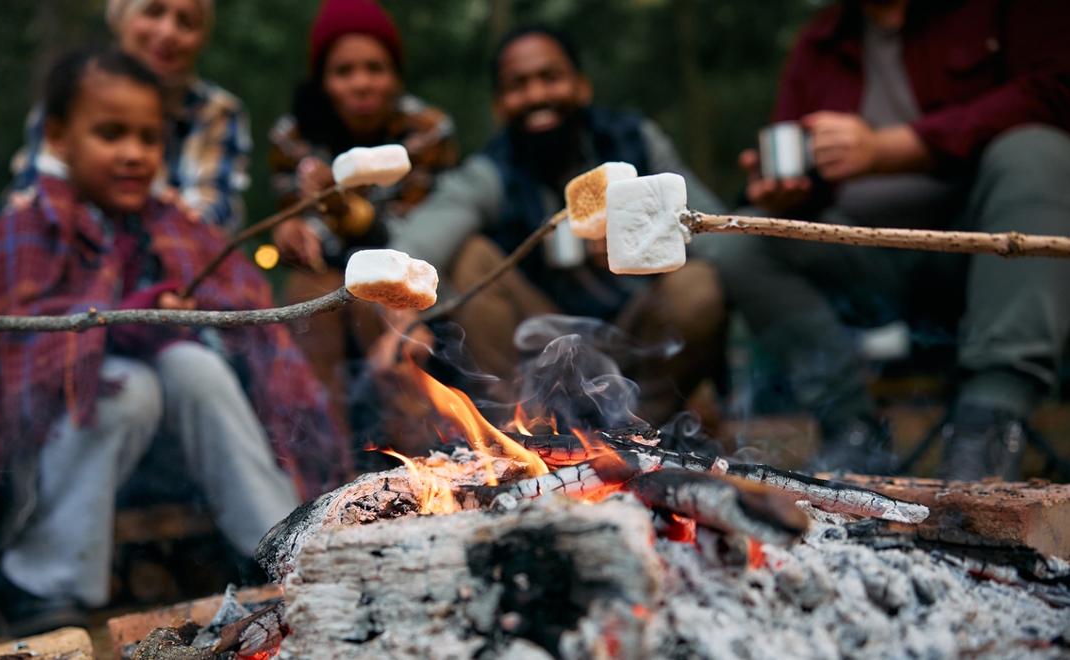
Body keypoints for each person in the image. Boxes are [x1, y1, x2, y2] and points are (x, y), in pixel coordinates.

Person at [0, 49, 349, 634]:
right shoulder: (32, 219)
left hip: (172, 461)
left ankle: (285, 542)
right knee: (128, 389)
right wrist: (127, 320)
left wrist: (188, 317)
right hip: (57, 459)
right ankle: (45, 579)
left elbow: (246, 321)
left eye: (149, 139)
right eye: (110, 134)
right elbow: (22, 360)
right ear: (58, 136)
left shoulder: (172, 222)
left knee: (193, 367)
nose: (133, 154)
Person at [700, 0, 1070, 477]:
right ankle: (850, 429)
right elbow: (800, 178)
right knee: (742, 238)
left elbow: (1054, 92)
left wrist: (886, 149)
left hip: (987, 251)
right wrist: (784, 198)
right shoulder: (820, 44)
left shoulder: (997, 10)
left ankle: (990, 421)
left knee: (1038, 151)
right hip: (867, 261)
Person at [388, 25, 727, 427]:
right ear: (499, 105)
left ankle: (640, 428)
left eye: (550, 77)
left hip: (641, 331)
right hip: (542, 346)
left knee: (699, 284)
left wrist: (650, 236)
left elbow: (721, 237)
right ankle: (527, 431)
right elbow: (413, 245)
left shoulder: (636, 142)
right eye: (519, 84)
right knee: (471, 258)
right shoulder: (492, 172)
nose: (536, 95)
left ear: (582, 86)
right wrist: (397, 311)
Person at [268, 0, 458, 433]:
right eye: (343, 71)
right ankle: (322, 459)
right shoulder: (293, 136)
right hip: (326, 270)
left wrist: (338, 207)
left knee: (393, 314)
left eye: (376, 68)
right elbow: (293, 220)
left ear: (396, 75)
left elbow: (413, 225)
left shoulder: (426, 131)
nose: (361, 83)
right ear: (322, 80)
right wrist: (293, 230)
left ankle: (424, 458)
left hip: (405, 258)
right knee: (305, 304)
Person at [10, 0, 250, 230]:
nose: (168, 32)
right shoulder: (72, 97)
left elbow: (210, 219)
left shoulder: (219, 112)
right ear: (120, 17)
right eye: (153, 12)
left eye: (186, 22)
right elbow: (29, 197)